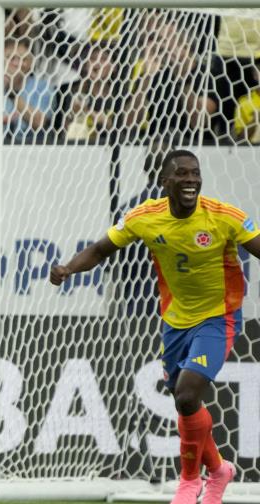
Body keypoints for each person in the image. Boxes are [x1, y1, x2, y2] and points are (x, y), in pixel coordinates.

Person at [50, 150, 257, 504]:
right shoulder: (144, 218)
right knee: (183, 402)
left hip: (218, 316)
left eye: (195, 173)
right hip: (175, 321)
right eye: (182, 174)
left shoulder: (225, 218)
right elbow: (100, 250)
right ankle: (219, 470)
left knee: (189, 393)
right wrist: (68, 268)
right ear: (165, 182)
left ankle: (189, 482)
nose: (191, 179)